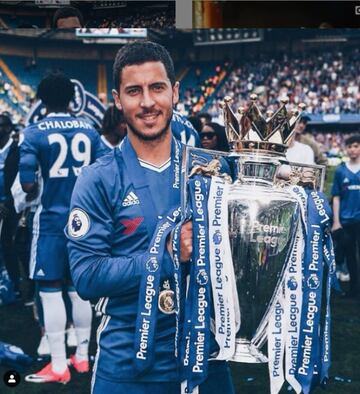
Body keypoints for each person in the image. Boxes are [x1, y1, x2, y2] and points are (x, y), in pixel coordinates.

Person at [66, 41, 235, 394]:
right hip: (128, 361)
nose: (146, 102)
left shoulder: (212, 170)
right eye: (133, 91)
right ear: (117, 99)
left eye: (157, 87)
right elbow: (87, 277)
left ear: (174, 92)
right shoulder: (97, 178)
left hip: (207, 357)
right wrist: (166, 255)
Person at [19, 72, 104, 384]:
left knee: (50, 290)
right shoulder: (90, 130)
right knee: (79, 290)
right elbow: (105, 173)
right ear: (72, 98)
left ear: (42, 99)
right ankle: (82, 358)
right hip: (85, 223)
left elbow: (28, 183)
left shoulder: (34, 132)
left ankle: (58, 365)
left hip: (52, 222)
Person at [331, 134, 360, 297]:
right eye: (349, 146)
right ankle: (354, 290)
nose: (352, 149)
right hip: (346, 221)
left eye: (356, 146)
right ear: (346, 149)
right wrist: (336, 221)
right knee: (350, 256)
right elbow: (336, 197)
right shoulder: (341, 170)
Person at [0, 113, 20, 297]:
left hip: (10, 207)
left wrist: (8, 202)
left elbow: (20, 181)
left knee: (9, 246)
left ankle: (13, 284)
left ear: (7, 128)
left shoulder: (15, 150)